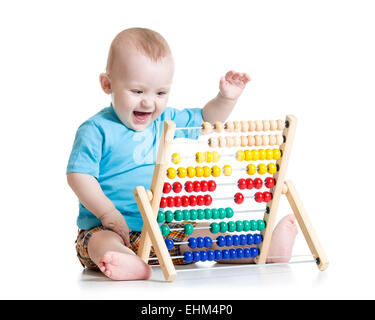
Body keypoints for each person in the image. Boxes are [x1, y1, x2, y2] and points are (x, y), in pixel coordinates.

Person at [67, 27, 297, 281]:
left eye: (160, 93)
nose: (148, 102)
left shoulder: (165, 121)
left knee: (203, 234)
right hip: (110, 227)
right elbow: (79, 175)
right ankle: (125, 261)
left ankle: (265, 250)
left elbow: (205, 121)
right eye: (137, 91)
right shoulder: (96, 130)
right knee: (100, 243)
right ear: (107, 84)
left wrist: (225, 99)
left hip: (164, 229)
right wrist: (108, 213)